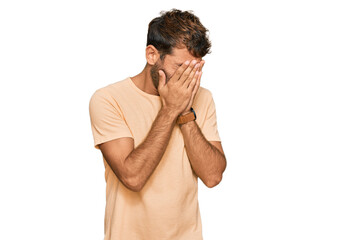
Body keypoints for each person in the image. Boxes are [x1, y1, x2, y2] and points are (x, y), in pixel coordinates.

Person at [89, 8, 227, 240]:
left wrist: (185, 112)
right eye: (181, 68)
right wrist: (170, 109)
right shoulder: (108, 99)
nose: (189, 79)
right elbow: (132, 177)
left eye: (195, 69)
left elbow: (213, 177)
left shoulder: (202, 98)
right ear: (152, 55)